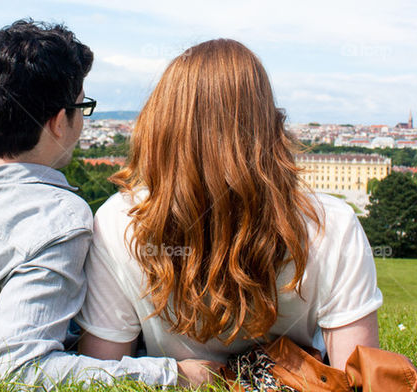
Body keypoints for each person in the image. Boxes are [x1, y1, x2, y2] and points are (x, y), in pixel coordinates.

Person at [0, 20, 216, 389]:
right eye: (82, 107)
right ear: (59, 121)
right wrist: (176, 375)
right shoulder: (58, 218)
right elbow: (19, 368)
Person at [75, 39, 382, 372]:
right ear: (269, 122)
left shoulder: (117, 221)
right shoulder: (332, 222)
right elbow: (360, 372)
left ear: (159, 123)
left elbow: (101, 370)